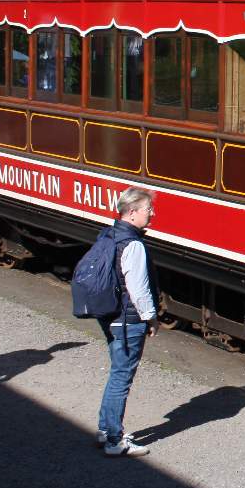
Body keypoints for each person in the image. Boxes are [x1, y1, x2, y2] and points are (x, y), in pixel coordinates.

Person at [96, 187, 159, 457]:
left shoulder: (110, 234)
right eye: (148, 209)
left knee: (116, 374)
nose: (152, 214)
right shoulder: (133, 245)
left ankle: (105, 428)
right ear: (132, 212)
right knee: (122, 377)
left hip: (111, 316)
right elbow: (138, 289)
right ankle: (114, 439)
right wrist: (151, 318)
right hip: (128, 320)